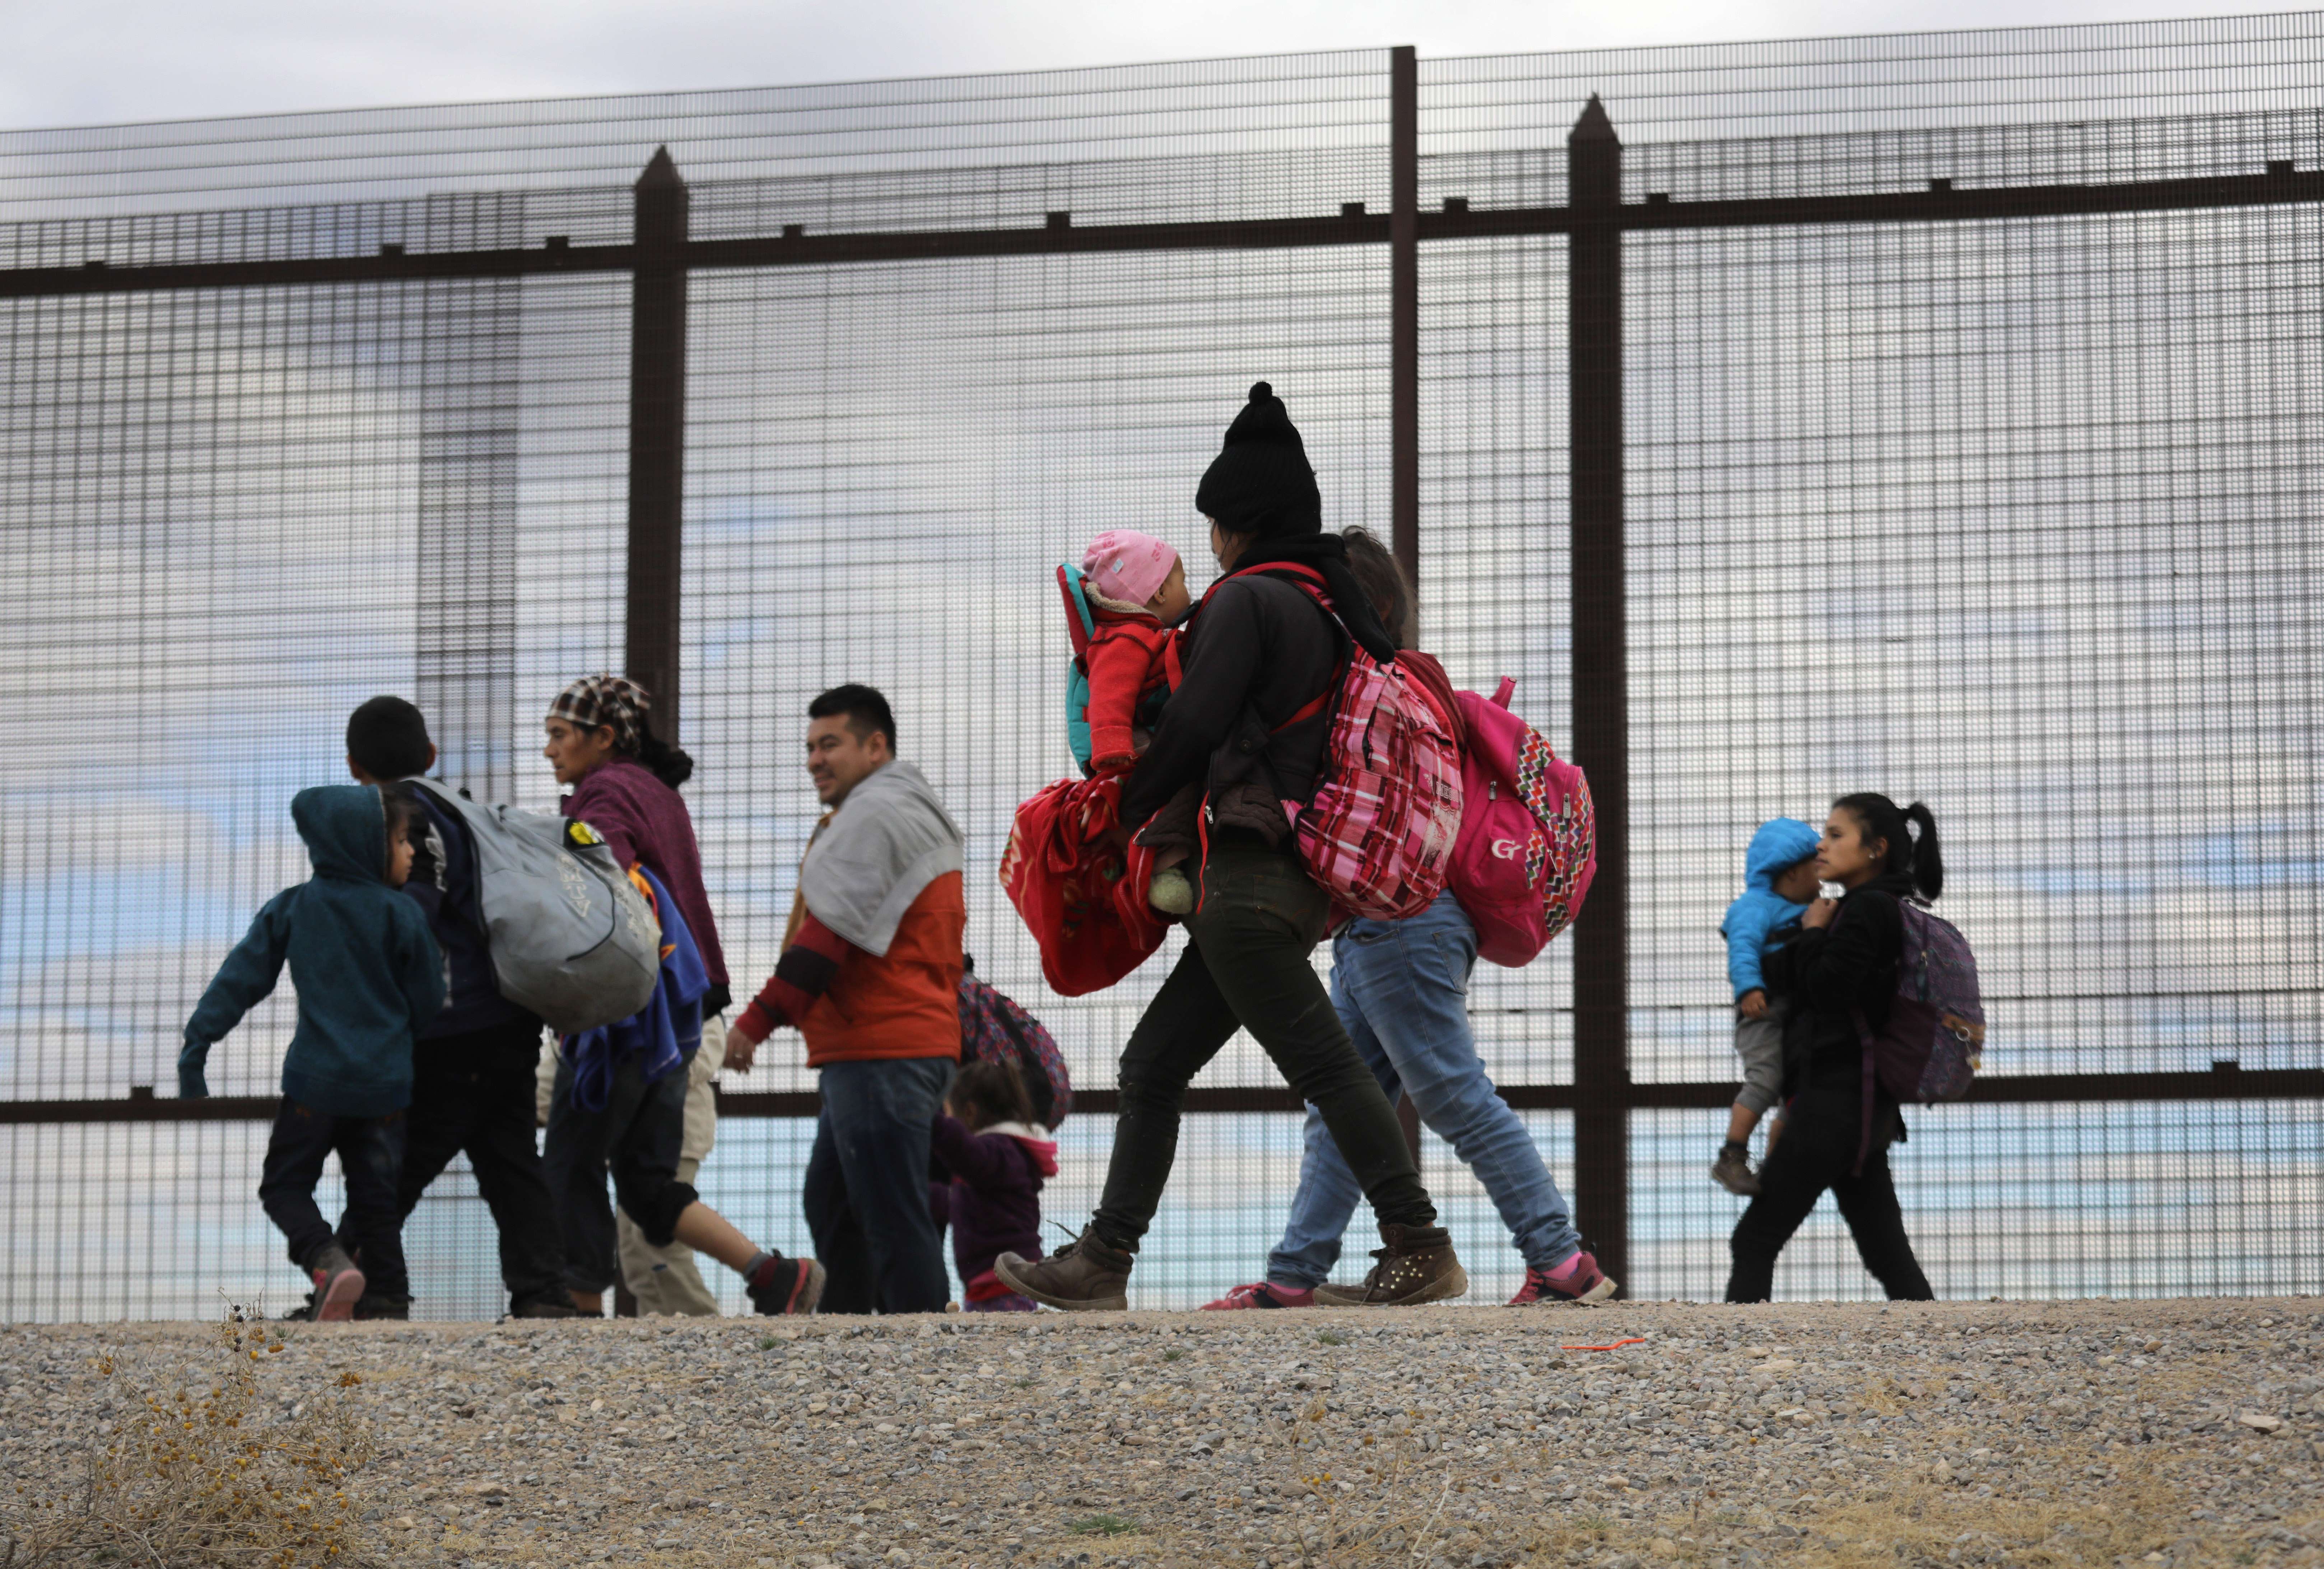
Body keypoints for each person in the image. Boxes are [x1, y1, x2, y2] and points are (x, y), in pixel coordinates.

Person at [996, 381, 1464, 1311]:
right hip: (1277, 881)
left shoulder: (1247, 600)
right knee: (1154, 1065)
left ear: (1235, 525)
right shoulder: (1323, 607)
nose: (1206, 542)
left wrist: (1123, 807)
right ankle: (1103, 1261)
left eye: (1211, 524)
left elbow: (1196, 725)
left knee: (1323, 1064)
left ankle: (1420, 1244)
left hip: (1248, 883)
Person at [1203, 527, 1615, 1310]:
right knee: (1340, 1107)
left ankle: (1562, 1261)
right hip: (1398, 925)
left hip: (1401, 921)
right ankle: (1292, 1276)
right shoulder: (1417, 686)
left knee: (1452, 1093)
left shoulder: (1371, 691)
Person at [539, 675, 822, 1316]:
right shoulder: (659, 793)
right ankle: (774, 1274)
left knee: (572, 1156)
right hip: (683, 1010)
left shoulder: (604, 792)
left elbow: (602, 878)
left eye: (559, 734)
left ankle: (576, 1307)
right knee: (646, 1181)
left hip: (627, 1011)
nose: (549, 749)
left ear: (602, 737)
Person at [723, 684, 967, 1315]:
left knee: (889, 1216)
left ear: (875, 745)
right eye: (810, 747)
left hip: (882, 1047)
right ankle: (852, 1335)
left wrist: (754, 1021)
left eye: (830, 744)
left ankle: (922, 1351)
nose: (814, 760)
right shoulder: (905, 809)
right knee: (835, 1201)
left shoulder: (874, 815)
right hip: (887, 1045)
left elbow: (825, 936)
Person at [340, 696, 574, 1320]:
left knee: (392, 1160)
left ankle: (360, 1289)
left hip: (447, 1025)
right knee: (510, 1160)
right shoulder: (467, 811)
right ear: (431, 754)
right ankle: (543, 1294)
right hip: (509, 1012)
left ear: (353, 765)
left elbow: (413, 912)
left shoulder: (399, 817)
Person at [178, 785, 445, 1321]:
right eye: (401, 841)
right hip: (385, 1088)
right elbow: (429, 998)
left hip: (314, 1087)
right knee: (377, 1202)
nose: (412, 851)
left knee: (285, 1186)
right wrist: (399, 1041)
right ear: (366, 846)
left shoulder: (295, 907)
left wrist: (197, 1047)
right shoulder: (402, 913)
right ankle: (388, 1302)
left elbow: (240, 979)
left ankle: (326, 1260)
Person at [1724, 794, 1943, 1303]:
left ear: (1875, 849)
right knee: (1887, 1254)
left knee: (1754, 1239)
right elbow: (1800, 976)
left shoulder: (1866, 910)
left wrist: (1812, 934)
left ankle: (1736, 1351)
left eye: (1836, 834)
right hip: (1861, 1107)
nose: (1821, 846)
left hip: (1834, 1103)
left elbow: (1826, 989)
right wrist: (1802, 939)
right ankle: (1939, 1345)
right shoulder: (1865, 909)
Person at [1067, 529, 1198, 914]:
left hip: (1133, 738)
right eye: (1181, 581)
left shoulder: (1142, 634)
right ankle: (1162, 870)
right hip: (1126, 745)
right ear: (1160, 593)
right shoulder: (1126, 638)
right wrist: (1113, 751)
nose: (1187, 590)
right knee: (1172, 790)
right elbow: (1109, 695)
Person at [1709, 817, 1824, 1197]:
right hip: (1761, 1012)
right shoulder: (1753, 906)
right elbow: (1742, 948)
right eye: (1815, 869)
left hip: (1792, 1016)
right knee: (1765, 1078)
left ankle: (1776, 1166)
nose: (1821, 878)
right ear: (1791, 871)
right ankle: (1731, 1154)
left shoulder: (1804, 908)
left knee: (1796, 1088)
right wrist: (1749, 988)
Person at [928, 1058, 1057, 1313]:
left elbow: (965, 1152)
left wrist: (932, 1119)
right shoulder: (1002, 1158)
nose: (948, 1119)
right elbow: (960, 1203)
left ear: (969, 1113)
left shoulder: (1000, 1150)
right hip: (992, 1281)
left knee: (1003, 1335)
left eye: (950, 1113)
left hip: (1003, 1280)